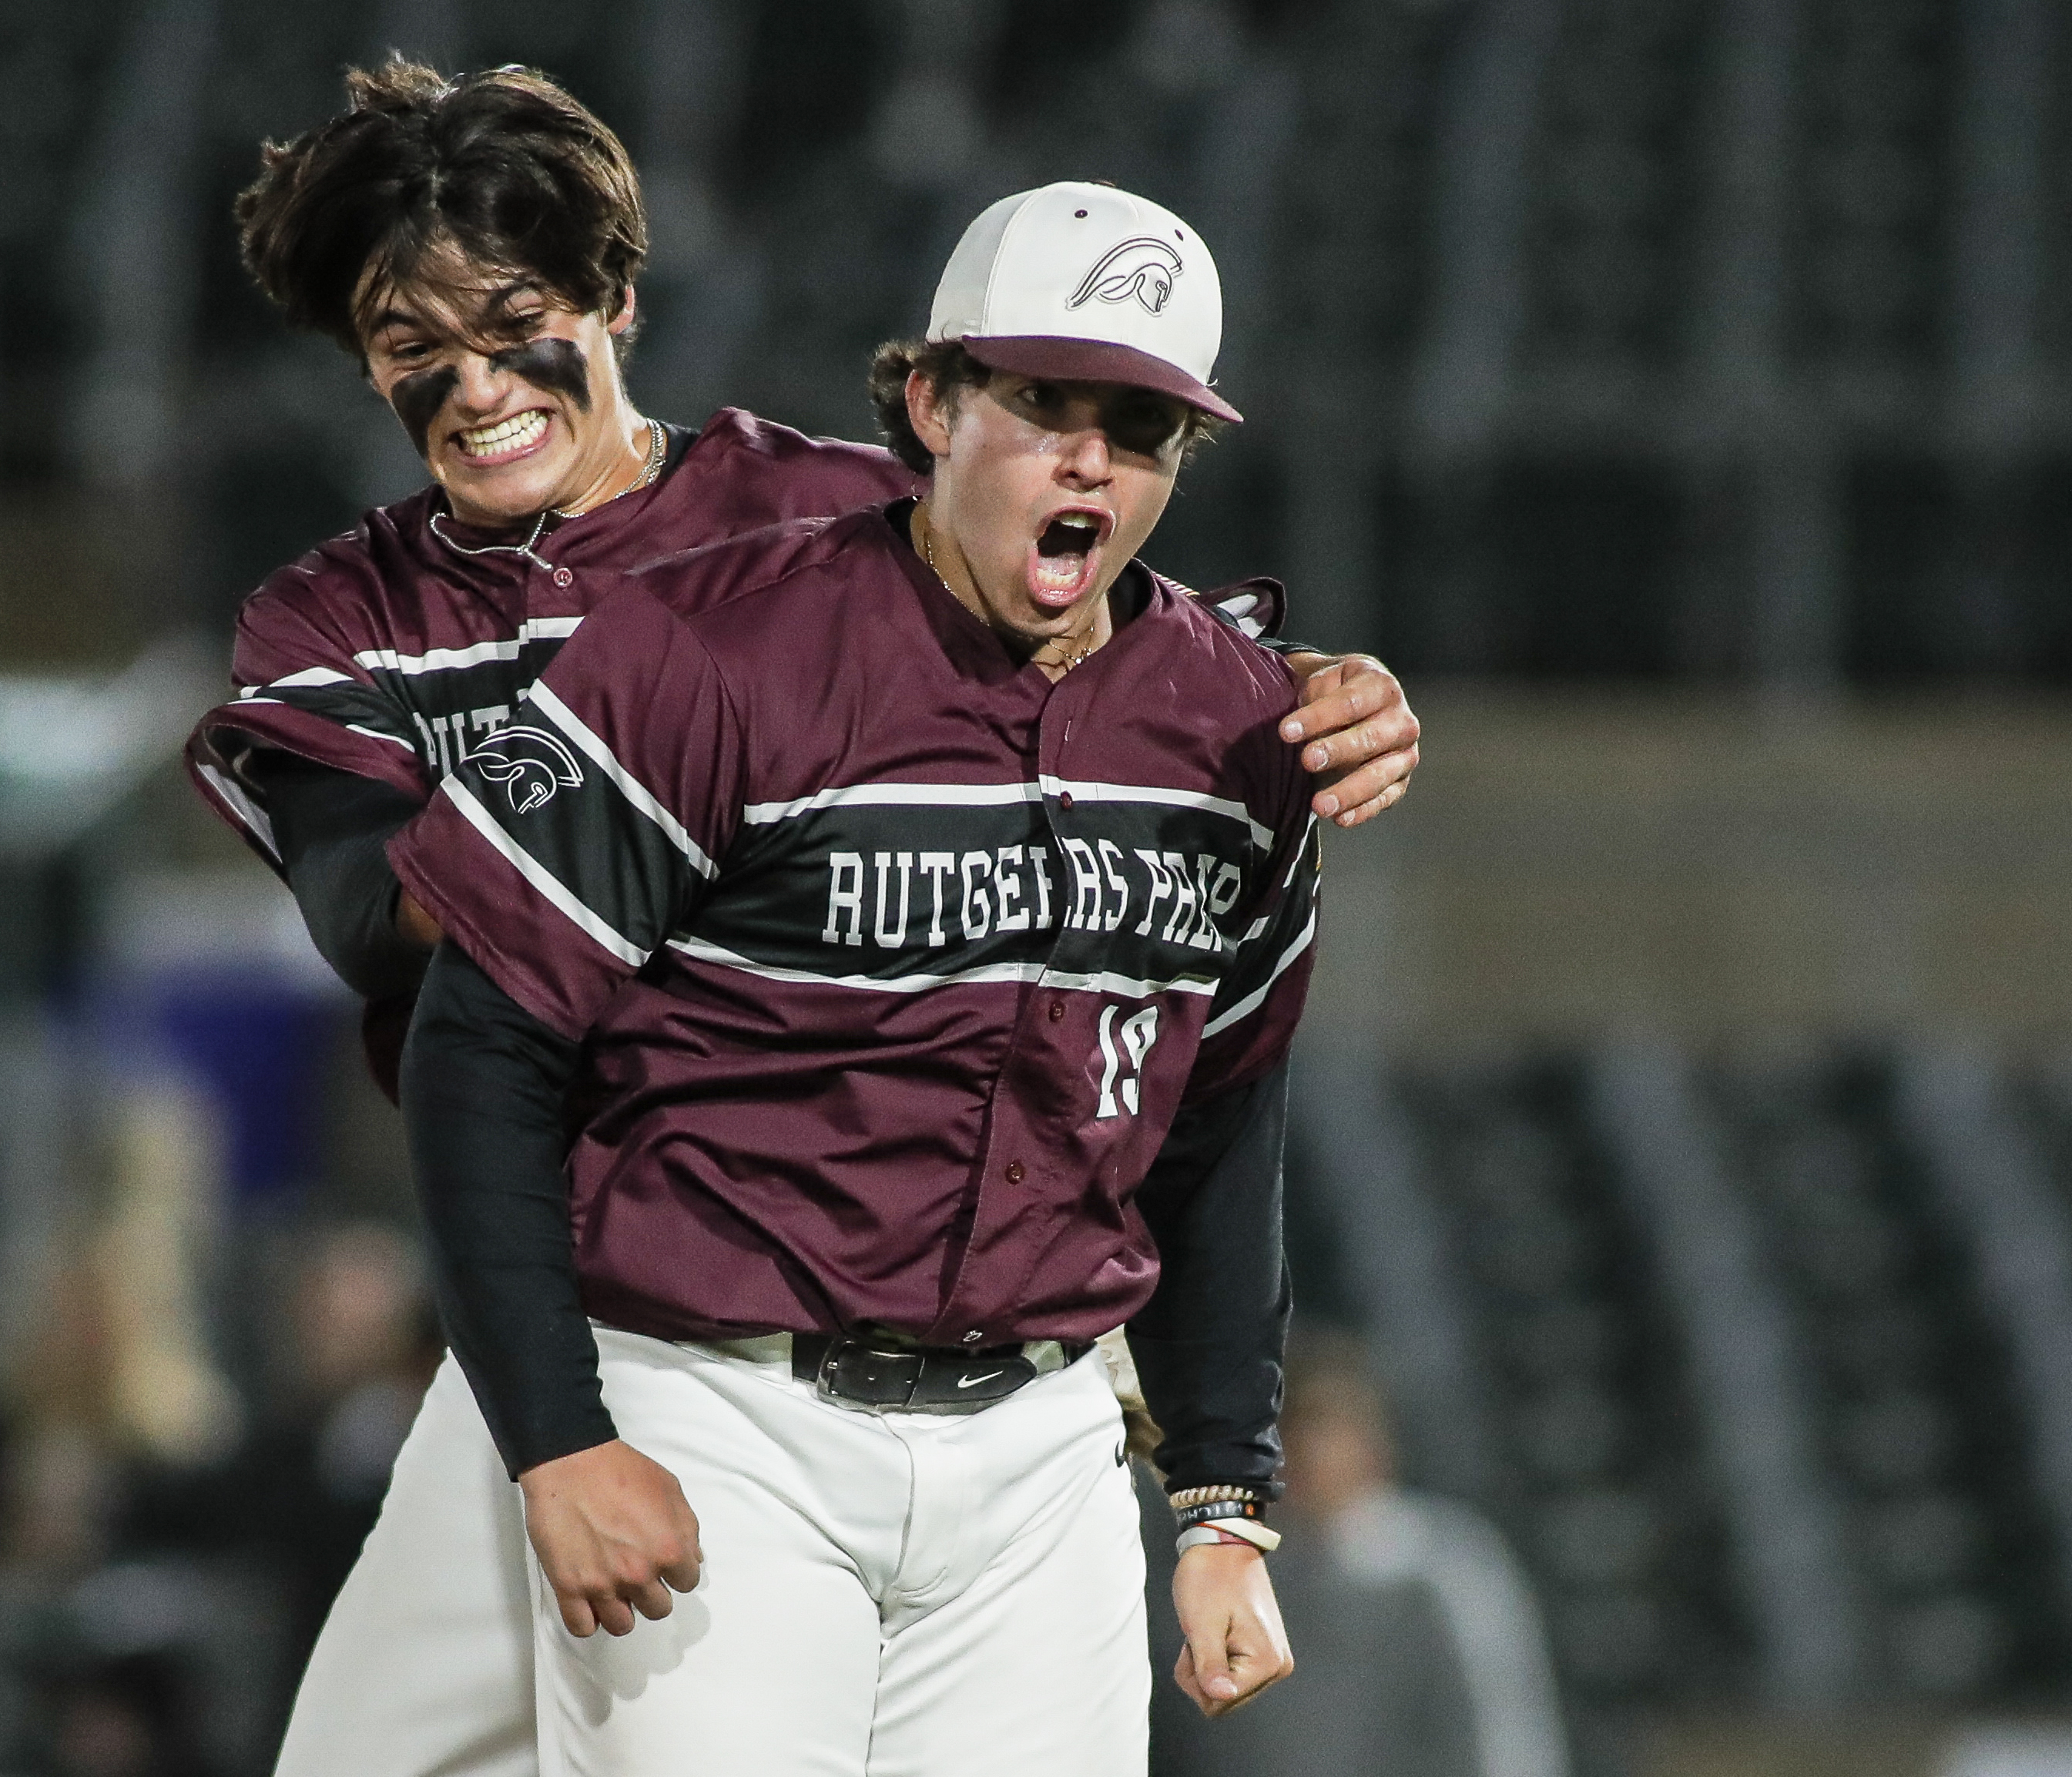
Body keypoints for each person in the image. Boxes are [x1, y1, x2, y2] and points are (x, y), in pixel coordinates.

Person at [183, 62, 1420, 1777]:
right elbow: (397, 933)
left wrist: (1311, 692)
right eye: (411, 349)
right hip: (574, 1283)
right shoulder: (341, 619)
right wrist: (635, 779)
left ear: (615, 301)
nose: (469, 385)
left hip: (890, 1299)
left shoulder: (826, 506)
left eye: (513, 321)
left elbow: (1096, 646)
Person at [387, 177, 1314, 1774]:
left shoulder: (1239, 732)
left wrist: (1223, 1498)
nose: (1089, 456)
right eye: (1041, 403)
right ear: (929, 401)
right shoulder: (708, 650)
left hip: (1040, 1449)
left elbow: (1218, 1126)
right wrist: (553, 1435)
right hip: (718, 1413)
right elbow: (480, 1048)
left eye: (1142, 426)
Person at [1152, 1326, 1568, 1777]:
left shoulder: (1444, 1572)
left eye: (1326, 1428)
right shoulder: (1222, 1579)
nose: (1307, 1453)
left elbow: (1502, 1746)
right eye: (1288, 1430)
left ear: (1373, 1441)